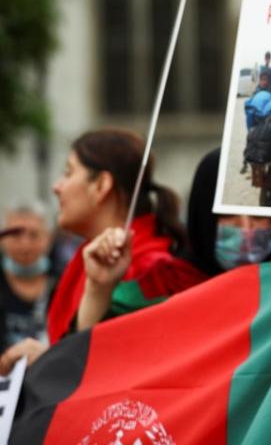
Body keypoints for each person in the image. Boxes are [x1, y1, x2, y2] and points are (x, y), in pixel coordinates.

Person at [0, 129, 206, 374]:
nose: (57, 187)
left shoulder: (151, 273)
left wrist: (48, 363)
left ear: (101, 185)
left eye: (68, 172)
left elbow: (121, 374)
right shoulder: (88, 259)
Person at [183, 149, 271, 277]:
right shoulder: (162, 285)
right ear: (201, 218)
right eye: (227, 214)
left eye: (259, 215)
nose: (245, 228)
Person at [0, 204, 57, 352]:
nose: (25, 244)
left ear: (48, 239)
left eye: (34, 235)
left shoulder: (62, 283)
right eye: (16, 235)